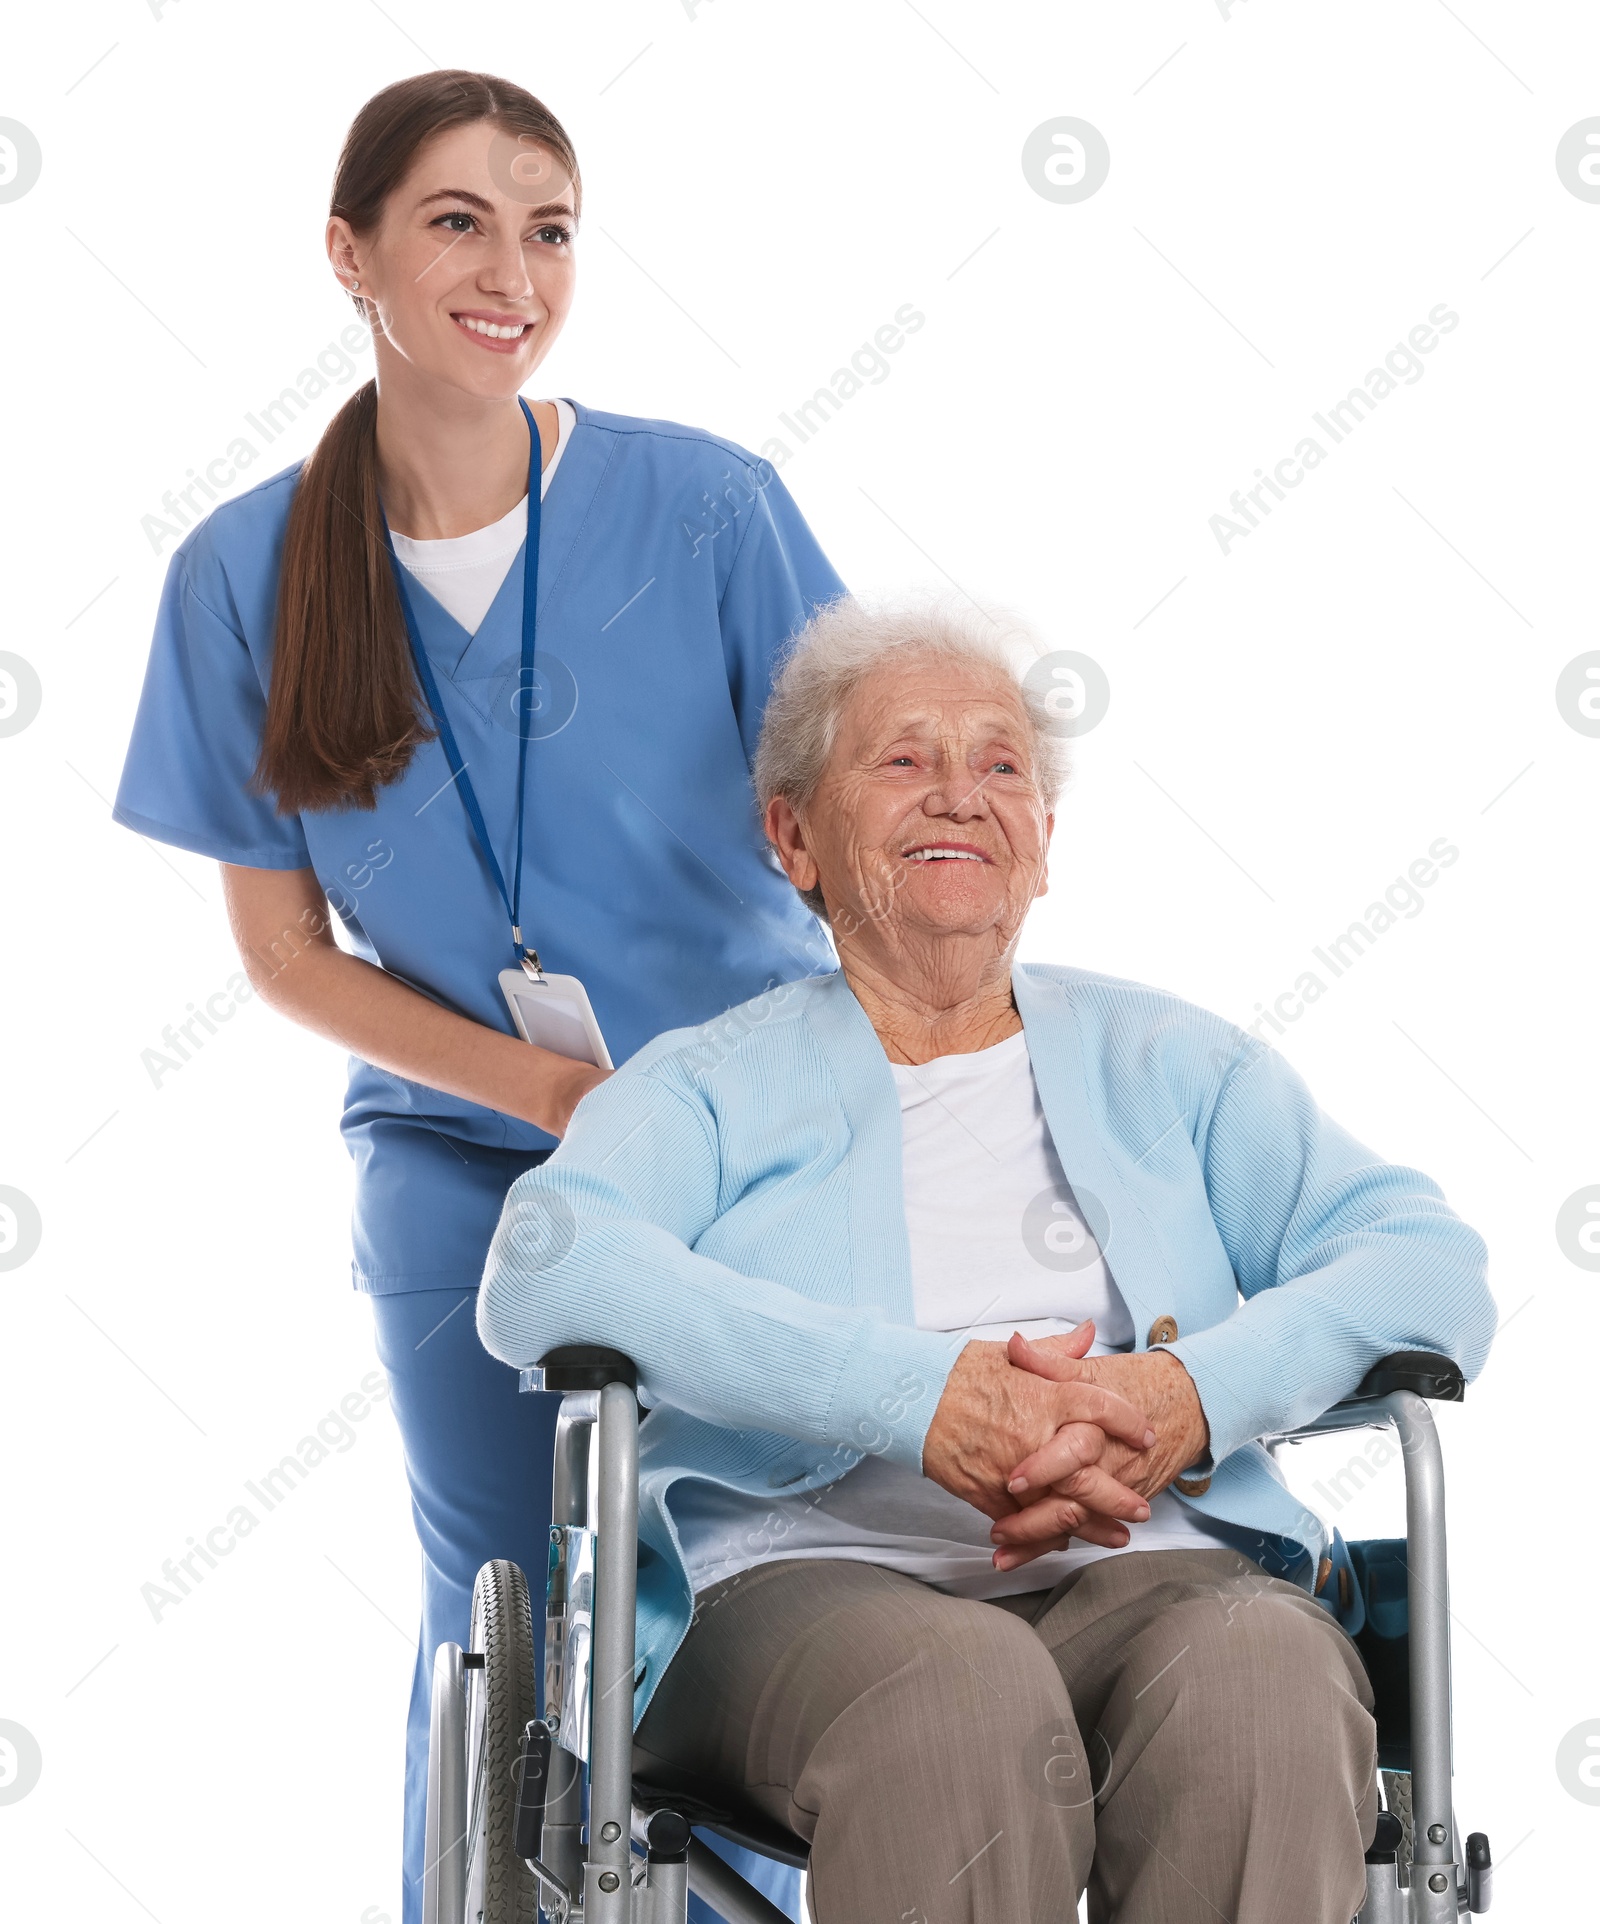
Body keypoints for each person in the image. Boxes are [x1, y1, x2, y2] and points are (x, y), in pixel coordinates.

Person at [476, 594, 1497, 1923]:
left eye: (1000, 764)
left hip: (1158, 1566)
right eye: (902, 759)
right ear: (794, 836)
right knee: (960, 1696)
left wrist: (1184, 1398)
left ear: (1044, 844)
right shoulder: (709, 1087)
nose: (959, 794)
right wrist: (920, 1399)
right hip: (794, 1585)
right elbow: (546, 1271)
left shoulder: (1174, 1063)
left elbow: (1428, 1263)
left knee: (1271, 1678)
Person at [112, 70, 838, 1924]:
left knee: (734, 1598)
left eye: (551, 226)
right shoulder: (241, 575)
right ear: (350, 255)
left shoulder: (708, 509)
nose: (512, 269)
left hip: (750, 1158)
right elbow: (284, 958)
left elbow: (863, 815)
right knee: (505, 1620)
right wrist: (540, 1098)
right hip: (461, 1166)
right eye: (457, 221)